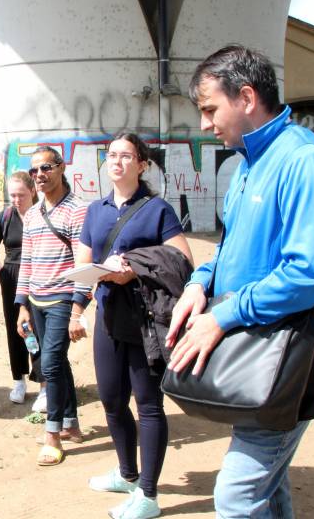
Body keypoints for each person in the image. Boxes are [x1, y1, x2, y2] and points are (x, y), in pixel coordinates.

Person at [167, 45, 314, 518]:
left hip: (297, 355)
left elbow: (309, 272)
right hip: (261, 345)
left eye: (209, 109)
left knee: (237, 497)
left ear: (246, 97)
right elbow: (231, 247)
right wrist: (199, 282)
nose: (205, 123)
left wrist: (223, 315)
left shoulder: (304, 161)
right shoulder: (249, 161)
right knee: (270, 485)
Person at [77, 133, 193, 519]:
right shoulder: (96, 210)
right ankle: (127, 473)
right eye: (111, 155)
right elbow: (85, 263)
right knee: (111, 400)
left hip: (145, 320)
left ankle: (148, 494)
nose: (117, 161)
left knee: (148, 405)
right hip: (108, 316)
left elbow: (182, 258)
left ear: (142, 164)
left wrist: (134, 268)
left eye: (126, 155)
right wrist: (78, 307)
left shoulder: (157, 209)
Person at [15, 145, 90, 466]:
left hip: (63, 300)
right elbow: (26, 262)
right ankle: (71, 421)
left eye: (46, 168)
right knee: (57, 361)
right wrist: (22, 306)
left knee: (51, 364)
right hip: (36, 299)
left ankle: (53, 434)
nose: (40, 175)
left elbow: (83, 261)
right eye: (34, 171)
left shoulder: (77, 210)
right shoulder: (32, 213)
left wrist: (77, 310)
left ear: (61, 168)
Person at [0, 170, 42, 405]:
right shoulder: (5, 216)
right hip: (11, 277)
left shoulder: (41, 214)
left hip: (38, 278)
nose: (17, 200)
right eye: (13, 195)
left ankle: (43, 381)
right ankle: (19, 379)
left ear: (33, 192)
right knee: (15, 329)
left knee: (36, 329)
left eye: (21, 195)